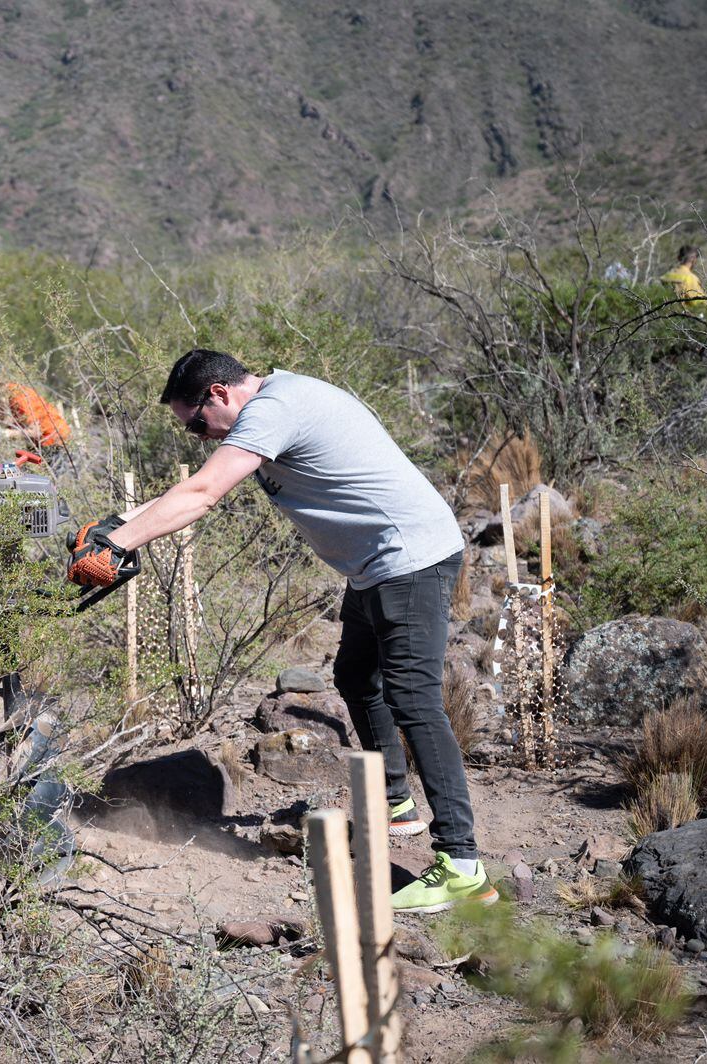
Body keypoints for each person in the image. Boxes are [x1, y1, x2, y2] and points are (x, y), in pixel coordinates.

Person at [66, 350, 497, 914]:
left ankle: (463, 865)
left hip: (408, 559)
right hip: (377, 563)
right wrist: (116, 527)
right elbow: (194, 485)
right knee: (355, 676)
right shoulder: (275, 401)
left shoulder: (275, 408)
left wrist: (122, 544)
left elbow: (202, 493)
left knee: (414, 701)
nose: (198, 436)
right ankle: (396, 803)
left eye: (196, 423)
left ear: (219, 394)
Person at [0, 362, 71, 449]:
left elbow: (36, 431)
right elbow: (8, 423)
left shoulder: (18, 396)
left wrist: (4, 434)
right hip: (39, 445)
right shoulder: (3, 400)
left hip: (55, 442)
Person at [661, 245, 707, 312]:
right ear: (694, 259)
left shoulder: (666, 276)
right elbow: (698, 303)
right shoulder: (691, 278)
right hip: (685, 317)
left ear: (678, 257)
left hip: (665, 314)